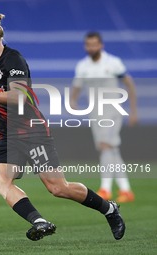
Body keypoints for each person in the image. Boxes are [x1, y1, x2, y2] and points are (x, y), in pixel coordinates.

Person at [0, 14, 125, 241]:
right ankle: (39, 221)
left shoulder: (14, 60)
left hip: (32, 131)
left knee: (58, 188)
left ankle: (109, 209)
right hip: (9, 135)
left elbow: (18, 96)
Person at [70, 32, 138, 203]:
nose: (92, 47)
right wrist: (73, 101)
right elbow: (77, 86)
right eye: (89, 44)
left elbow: (129, 84)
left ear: (101, 45)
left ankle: (105, 189)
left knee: (105, 145)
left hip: (113, 111)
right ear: (86, 46)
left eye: (95, 44)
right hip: (96, 112)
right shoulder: (82, 66)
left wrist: (134, 110)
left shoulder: (113, 62)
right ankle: (126, 190)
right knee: (111, 150)